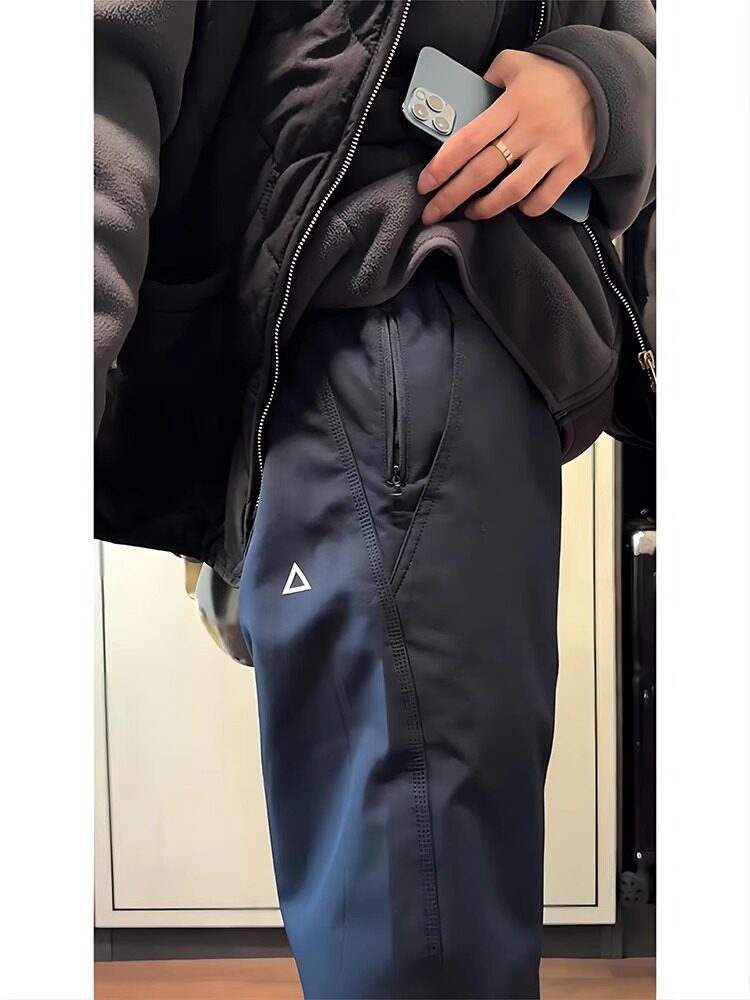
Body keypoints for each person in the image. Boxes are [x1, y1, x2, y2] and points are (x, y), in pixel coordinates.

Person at [94, 2, 655, 997]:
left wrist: (600, 91)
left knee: (425, 899)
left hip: (467, 351)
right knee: (419, 906)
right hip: (376, 337)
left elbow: (649, 48)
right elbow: (102, 67)